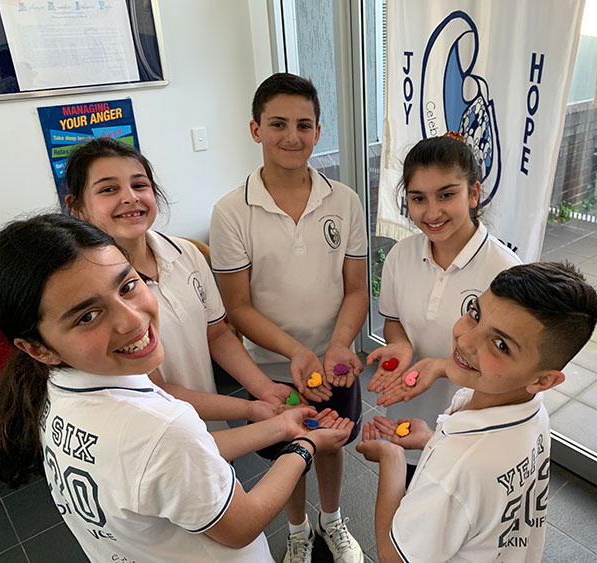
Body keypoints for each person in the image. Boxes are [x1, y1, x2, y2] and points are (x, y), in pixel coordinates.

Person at [0, 213, 355, 562]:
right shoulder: (158, 427)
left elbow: (178, 457)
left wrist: (278, 426)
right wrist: (306, 444)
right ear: (36, 348)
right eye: (87, 316)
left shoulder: (54, 391)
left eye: (128, 286)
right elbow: (241, 523)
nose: (132, 319)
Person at [210, 73, 368, 563]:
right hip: (275, 369)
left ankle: (333, 520)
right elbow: (237, 308)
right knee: (289, 453)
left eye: (304, 124)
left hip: (336, 362)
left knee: (331, 443)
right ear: (256, 130)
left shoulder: (343, 200)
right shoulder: (231, 211)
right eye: (278, 123)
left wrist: (338, 347)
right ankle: (298, 529)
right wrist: (297, 353)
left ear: (319, 132)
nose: (292, 136)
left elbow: (358, 289)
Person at [357, 261, 597, 563]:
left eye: (500, 344)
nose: (465, 339)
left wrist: (391, 457)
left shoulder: (455, 470)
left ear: (543, 380)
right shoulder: (533, 412)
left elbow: (392, 556)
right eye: (475, 312)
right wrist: (431, 441)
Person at [64, 137, 294, 428]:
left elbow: (217, 335)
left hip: (209, 427)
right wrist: (252, 410)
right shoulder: (89, 291)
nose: (130, 198)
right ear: (76, 207)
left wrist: (265, 389)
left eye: (139, 185)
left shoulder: (186, 253)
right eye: (109, 189)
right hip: (159, 441)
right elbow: (155, 391)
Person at [366, 133, 521, 479]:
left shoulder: (505, 272)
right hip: (405, 417)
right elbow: (393, 321)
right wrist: (401, 345)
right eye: (418, 198)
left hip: (469, 431)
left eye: (447, 195)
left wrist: (442, 366)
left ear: (473, 193)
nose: (432, 212)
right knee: (406, 509)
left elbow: (510, 370)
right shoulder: (400, 256)